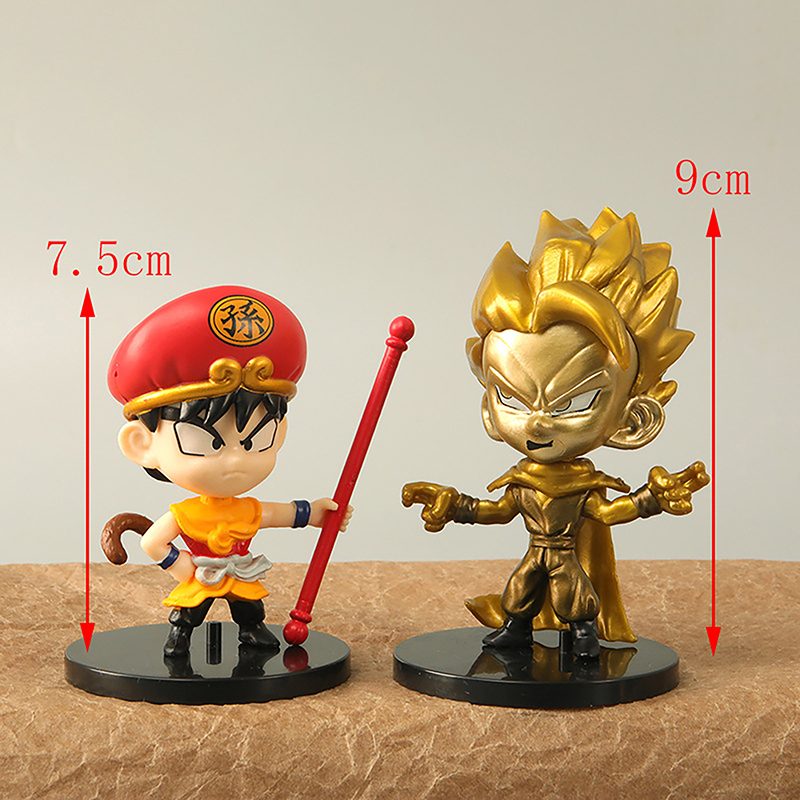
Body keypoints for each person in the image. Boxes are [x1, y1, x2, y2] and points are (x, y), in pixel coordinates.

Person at [403, 209, 708, 658]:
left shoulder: (583, 485)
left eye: (574, 402)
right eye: (511, 398)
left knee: (575, 594)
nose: (538, 423)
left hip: (564, 553)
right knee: (521, 587)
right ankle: (516, 629)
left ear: (632, 421)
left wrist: (651, 499)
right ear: (488, 408)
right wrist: (455, 506)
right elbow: (497, 510)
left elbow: (609, 512)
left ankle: (583, 634)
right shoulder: (522, 481)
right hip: (538, 551)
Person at [102, 286, 351, 657]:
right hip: (200, 571)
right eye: (204, 442)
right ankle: (179, 637)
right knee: (190, 609)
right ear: (141, 444)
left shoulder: (246, 508)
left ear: (280, 434)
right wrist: (180, 565)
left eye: (256, 439)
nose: (235, 460)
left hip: (239, 570)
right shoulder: (184, 514)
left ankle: (251, 630)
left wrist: (314, 513)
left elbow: (279, 514)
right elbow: (151, 542)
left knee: (248, 604)